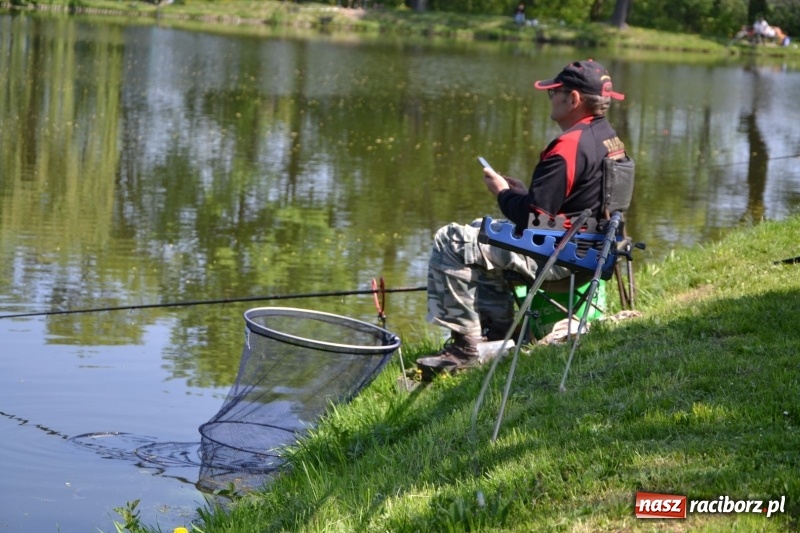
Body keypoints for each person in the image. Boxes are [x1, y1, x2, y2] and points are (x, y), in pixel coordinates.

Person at [424, 59, 628, 371]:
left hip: (562, 260)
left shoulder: (567, 148)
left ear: (573, 99)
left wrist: (502, 193)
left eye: (554, 93)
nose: (551, 99)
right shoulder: (610, 139)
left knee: (451, 240)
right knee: (480, 231)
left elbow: (536, 219)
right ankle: (500, 331)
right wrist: (519, 193)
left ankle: (466, 347)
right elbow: (563, 207)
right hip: (595, 253)